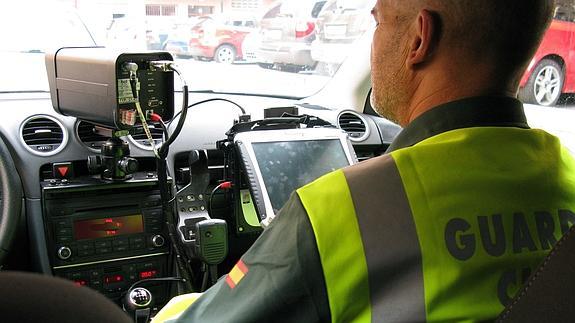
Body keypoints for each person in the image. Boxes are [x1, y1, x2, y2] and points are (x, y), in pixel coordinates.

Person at [155, 0, 575, 322]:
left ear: (418, 39)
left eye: (378, 21)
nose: (375, 39)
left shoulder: (341, 209)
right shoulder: (568, 181)